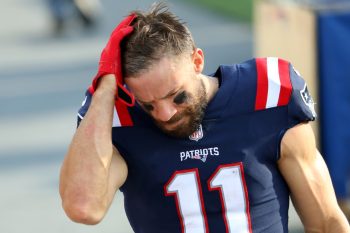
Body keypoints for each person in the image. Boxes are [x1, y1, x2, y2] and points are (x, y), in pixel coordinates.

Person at [59, 2, 350, 232]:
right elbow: (84, 207)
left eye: (177, 96)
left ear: (198, 61)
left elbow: (326, 223)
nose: (165, 113)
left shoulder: (267, 94)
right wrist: (105, 86)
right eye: (147, 104)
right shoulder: (121, 119)